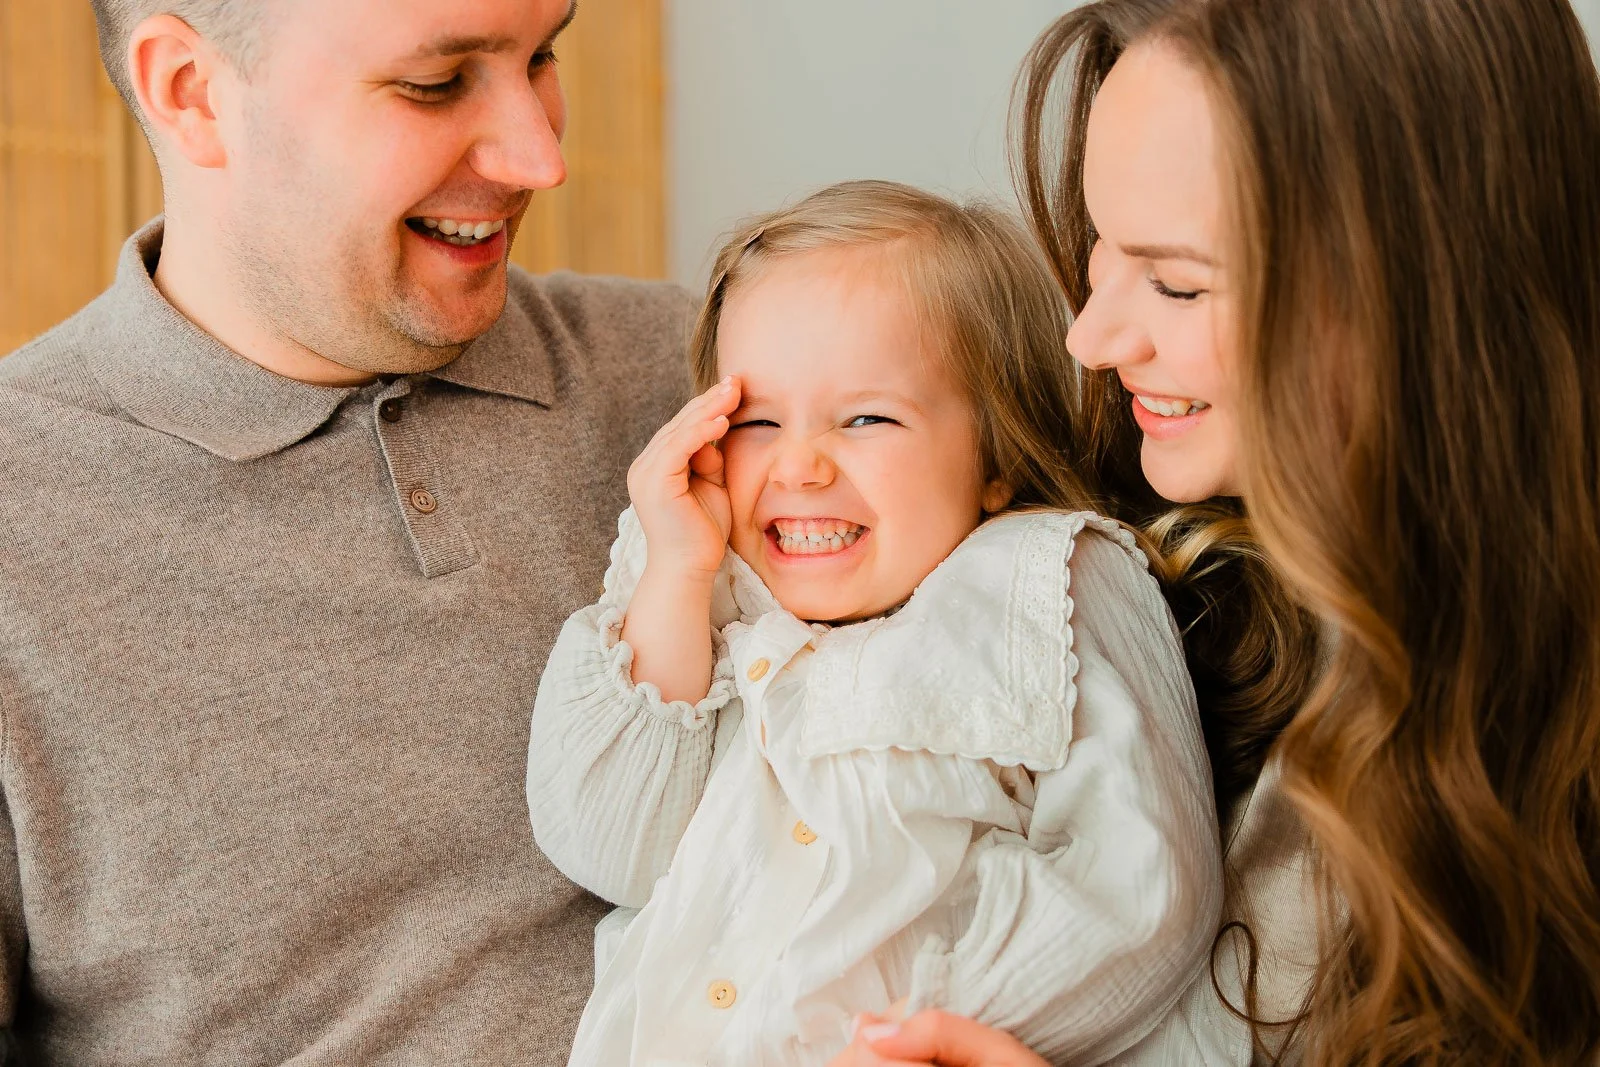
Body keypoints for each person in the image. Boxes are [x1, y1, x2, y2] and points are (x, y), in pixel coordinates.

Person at [834, 0, 1600, 1064]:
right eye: (1099, 248)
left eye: (1178, 282)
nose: (1091, 336)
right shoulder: (1109, 586)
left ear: (1418, 290)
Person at [0, 0, 690, 1061]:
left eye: (542, 54)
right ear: (192, 92)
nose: (539, 155)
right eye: (435, 81)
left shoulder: (731, 386)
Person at [526, 180, 1228, 1066]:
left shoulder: (1050, 579)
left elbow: (1142, 890)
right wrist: (674, 574)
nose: (800, 464)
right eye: (756, 419)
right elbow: (610, 847)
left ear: (996, 453)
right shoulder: (711, 598)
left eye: (866, 417)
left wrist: (918, 1028)